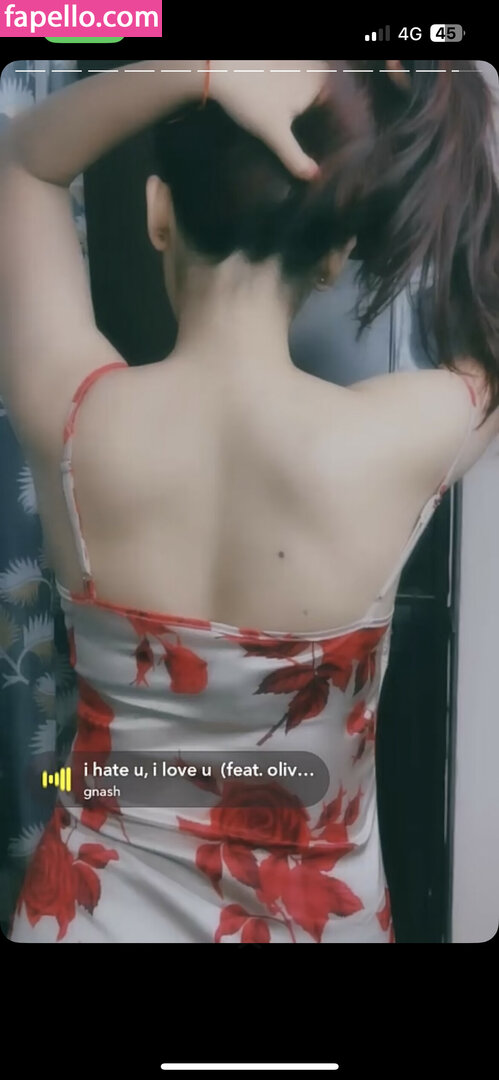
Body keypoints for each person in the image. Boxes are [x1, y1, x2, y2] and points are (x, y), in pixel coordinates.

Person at [1, 60, 498, 944]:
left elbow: (23, 160)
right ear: (336, 255)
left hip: (86, 915)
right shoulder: (401, 438)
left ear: (157, 211)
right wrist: (444, 106)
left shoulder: (73, 419)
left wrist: (198, 76)